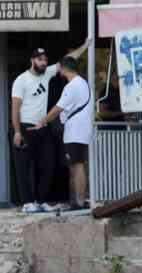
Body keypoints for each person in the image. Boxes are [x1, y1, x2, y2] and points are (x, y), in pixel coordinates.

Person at [11, 39, 91, 213]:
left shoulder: (47, 73)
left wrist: (84, 46)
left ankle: (40, 201)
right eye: (39, 59)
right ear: (32, 60)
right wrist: (17, 131)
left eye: (45, 60)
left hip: (43, 128)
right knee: (25, 167)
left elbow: (67, 60)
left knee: (48, 165)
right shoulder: (21, 80)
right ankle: (27, 202)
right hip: (26, 126)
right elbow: (15, 108)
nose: (43, 63)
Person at [33, 57, 93, 210]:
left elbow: (58, 108)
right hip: (79, 129)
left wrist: (42, 121)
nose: (58, 70)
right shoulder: (82, 83)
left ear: (65, 69)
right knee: (75, 165)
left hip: (76, 131)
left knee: (77, 165)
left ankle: (79, 202)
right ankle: (78, 200)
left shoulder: (72, 86)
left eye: (59, 67)